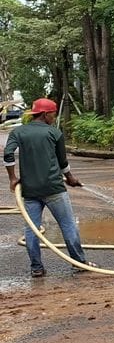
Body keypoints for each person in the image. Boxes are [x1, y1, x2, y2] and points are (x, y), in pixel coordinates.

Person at [3, 98, 90, 276]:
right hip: (54, 189)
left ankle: (36, 268)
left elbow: (8, 154)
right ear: (44, 114)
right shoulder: (54, 133)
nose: (54, 117)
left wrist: (12, 178)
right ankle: (79, 263)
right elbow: (62, 162)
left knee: (32, 229)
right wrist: (71, 178)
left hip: (29, 190)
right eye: (52, 114)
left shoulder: (18, 132)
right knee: (67, 225)